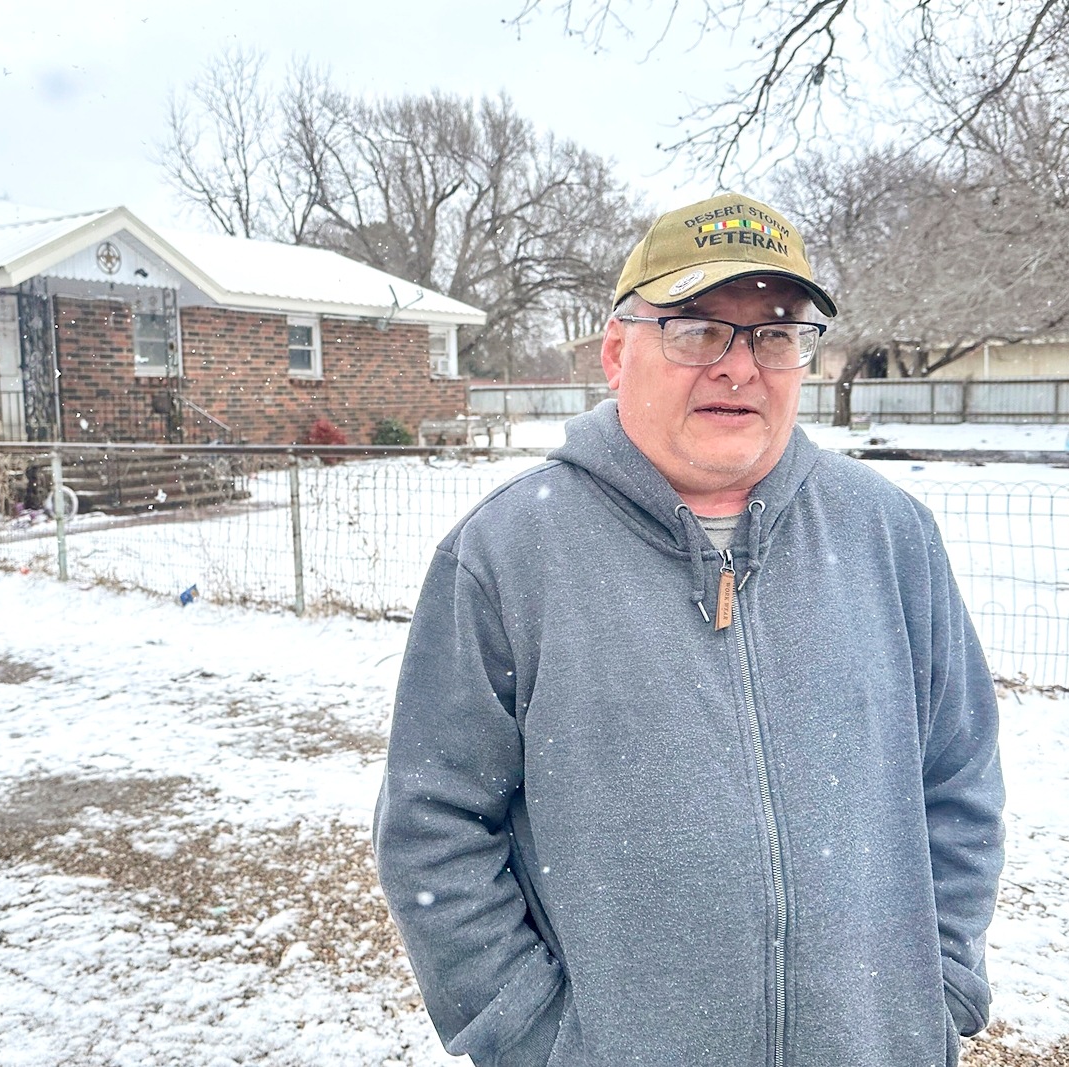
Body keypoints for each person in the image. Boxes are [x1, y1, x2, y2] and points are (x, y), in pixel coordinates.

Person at [373, 192, 1005, 1067]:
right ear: (615, 351)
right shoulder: (509, 554)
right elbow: (434, 827)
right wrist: (536, 1041)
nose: (740, 367)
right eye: (698, 328)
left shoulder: (890, 536)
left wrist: (938, 989)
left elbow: (959, 781)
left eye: (776, 334)